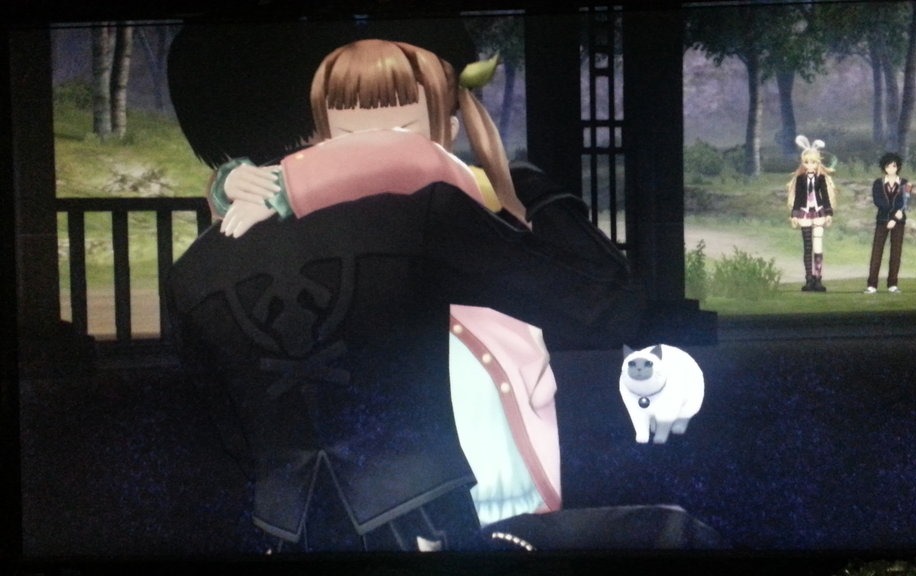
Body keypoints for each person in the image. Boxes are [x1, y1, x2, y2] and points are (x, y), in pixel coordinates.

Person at [167, 30, 722, 553]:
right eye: (358, 139)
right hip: (425, 514)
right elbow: (605, 307)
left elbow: (224, 434)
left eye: (396, 132)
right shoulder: (421, 213)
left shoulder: (197, 267)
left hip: (295, 523)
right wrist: (533, 191)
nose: (377, 154)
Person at [786, 135, 837, 292]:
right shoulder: (800, 179)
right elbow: (798, 198)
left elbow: (825, 196)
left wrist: (829, 213)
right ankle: (809, 279)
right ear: (803, 163)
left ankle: (818, 278)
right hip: (804, 214)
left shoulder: (821, 179)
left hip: (819, 213)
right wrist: (794, 215)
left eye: (813, 162)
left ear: (818, 163)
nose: (810, 165)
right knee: (807, 247)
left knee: (818, 246)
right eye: (807, 162)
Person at [864, 152, 910, 294]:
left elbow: (904, 202)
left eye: (894, 166)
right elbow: (878, 201)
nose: (891, 169)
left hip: (898, 221)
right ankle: (872, 285)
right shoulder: (878, 183)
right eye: (888, 166)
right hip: (882, 220)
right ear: (884, 168)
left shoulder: (904, 183)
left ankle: (892, 284)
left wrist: (895, 218)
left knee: (896, 253)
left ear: (898, 167)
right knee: (877, 252)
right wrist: (890, 214)